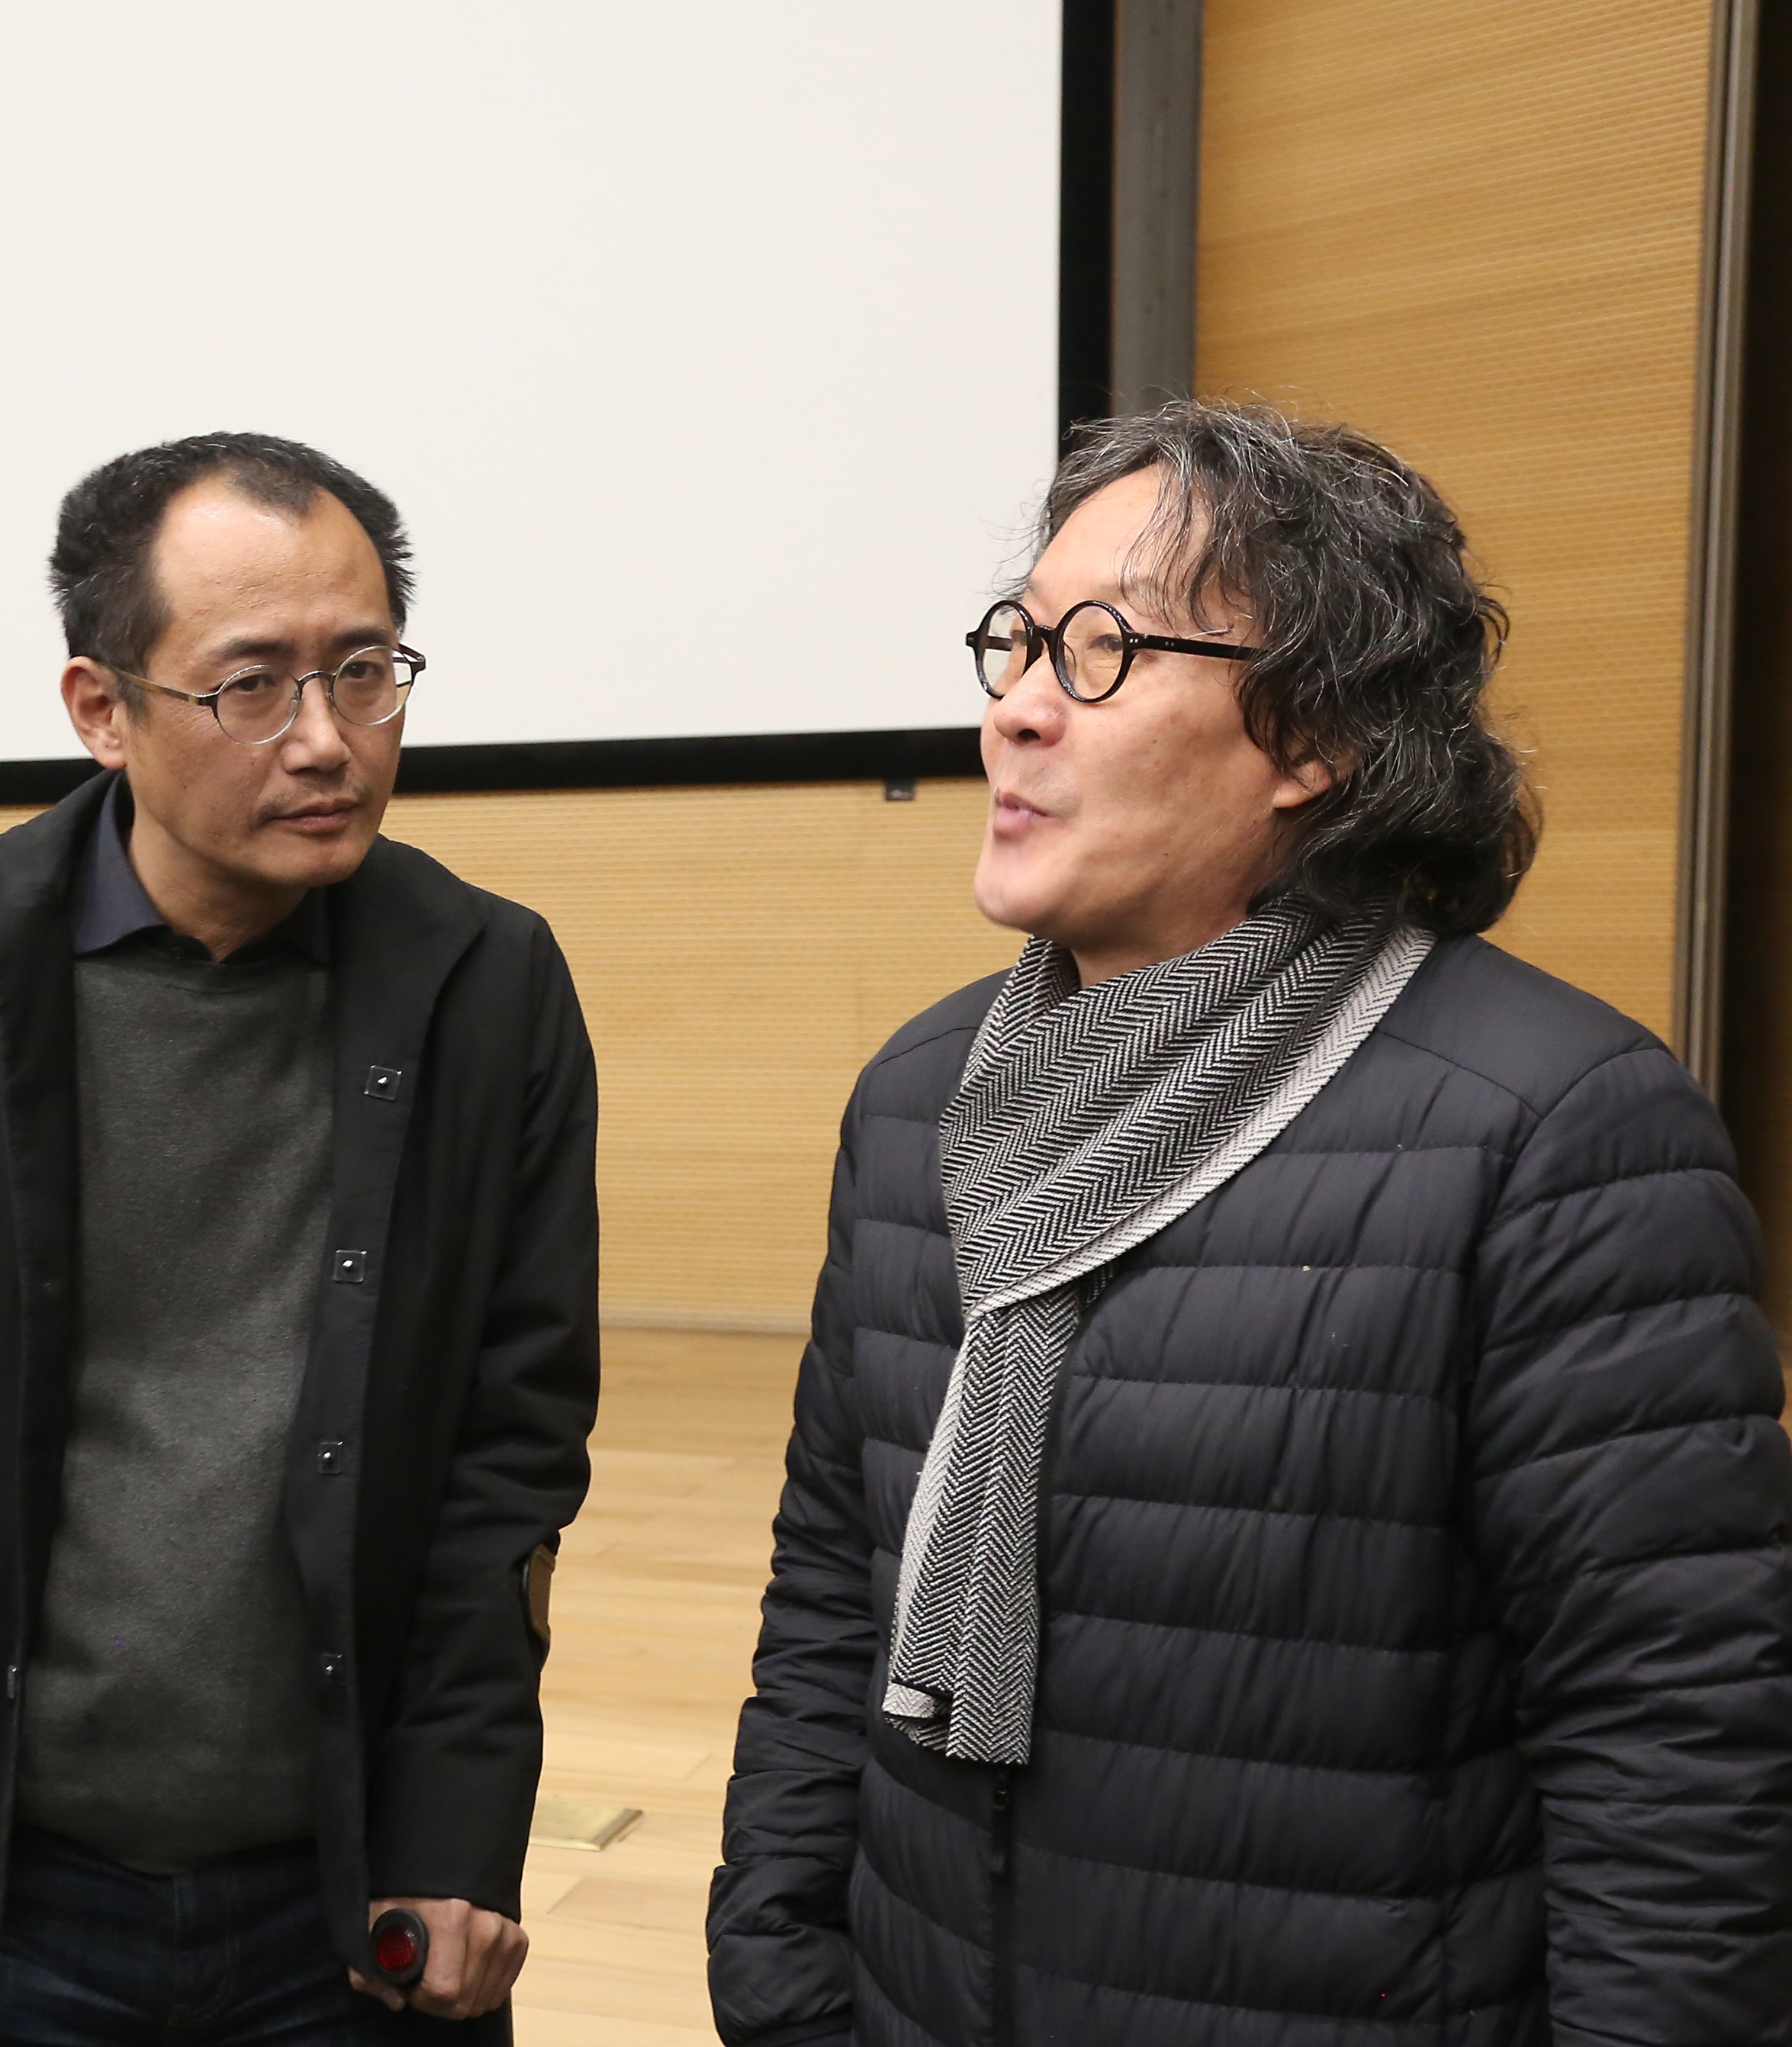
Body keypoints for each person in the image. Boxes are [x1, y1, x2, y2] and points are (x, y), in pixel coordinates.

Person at [706, 398, 1792, 2043]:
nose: (1013, 711)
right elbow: (831, 1598)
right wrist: (784, 1970)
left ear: (1319, 742)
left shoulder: (1558, 1132)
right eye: (1017, 642)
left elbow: (1677, 1747)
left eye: (1098, 653)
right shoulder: (923, 1094)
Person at [0, 432, 601, 2042]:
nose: (327, 740)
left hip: (343, 1895)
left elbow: (509, 1447)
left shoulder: (486, 987)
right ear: (99, 708)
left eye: (367, 670)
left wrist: (460, 1825)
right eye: (251, 684)